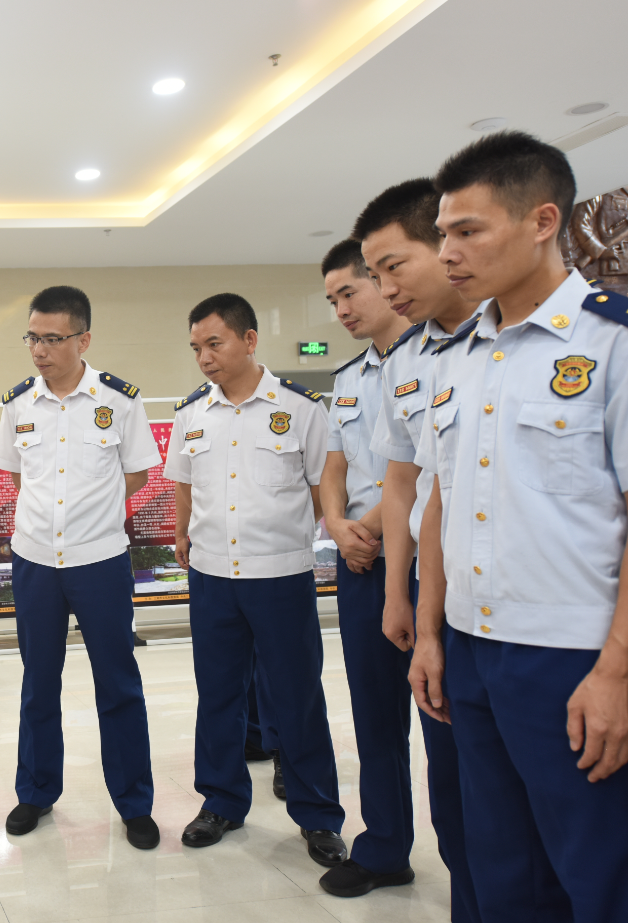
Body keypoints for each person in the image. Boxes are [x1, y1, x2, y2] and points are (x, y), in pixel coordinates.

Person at [411, 130, 628, 922]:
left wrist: (614, 672)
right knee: (501, 869)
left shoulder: (610, 342)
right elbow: (439, 500)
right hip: (469, 650)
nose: (447, 252)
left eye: (466, 231)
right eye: (440, 234)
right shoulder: (456, 357)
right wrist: (431, 634)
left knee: (597, 871)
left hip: (572, 658)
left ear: (541, 221)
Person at [164, 293, 347, 867]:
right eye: (196, 347)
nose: (204, 357)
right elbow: (183, 483)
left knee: (296, 697)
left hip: (280, 577)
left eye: (214, 343)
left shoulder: (300, 408)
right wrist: (182, 532)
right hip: (214, 577)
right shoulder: (193, 414)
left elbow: (324, 487)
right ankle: (220, 802)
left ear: (248, 339)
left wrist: (286, 534)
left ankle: (318, 816)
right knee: (218, 696)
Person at [0, 285, 162, 850]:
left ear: (83, 339)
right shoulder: (18, 403)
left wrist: (97, 511)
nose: (39, 350)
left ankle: (134, 802)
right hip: (35, 560)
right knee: (39, 683)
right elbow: (17, 476)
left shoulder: (120, 401)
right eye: (32, 338)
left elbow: (137, 472)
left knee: (117, 683)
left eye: (52, 338)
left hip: (100, 560)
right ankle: (36, 792)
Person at [354, 178, 480, 920]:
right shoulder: (412, 362)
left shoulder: (596, 340)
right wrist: (408, 603)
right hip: (447, 606)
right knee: (462, 795)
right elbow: (412, 488)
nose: (381, 289)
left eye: (390, 267)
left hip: (558, 629)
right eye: (373, 276)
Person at [315, 238, 415, 897]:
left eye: (349, 291)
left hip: (418, 559)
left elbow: (417, 470)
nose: (341, 309)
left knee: (447, 719)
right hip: (358, 563)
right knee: (374, 713)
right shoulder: (347, 379)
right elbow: (334, 466)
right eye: (331, 301)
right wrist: (335, 523)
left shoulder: (436, 359)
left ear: (382, 281)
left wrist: (366, 530)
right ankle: (384, 846)